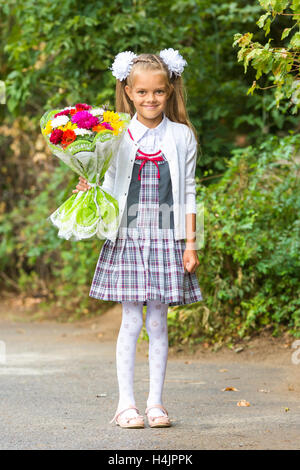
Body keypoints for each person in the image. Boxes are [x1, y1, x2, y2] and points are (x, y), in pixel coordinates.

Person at [73, 49, 203, 428]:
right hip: (127, 236)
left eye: (159, 92)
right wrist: (88, 186)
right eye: (142, 92)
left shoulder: (182, 137)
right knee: (131, 322)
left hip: (167, 238)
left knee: (159, 322)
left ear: (170, 91)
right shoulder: (114, 134)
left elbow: (190, 192)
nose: (150, 99)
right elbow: (108, 185)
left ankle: (156, 403)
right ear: (128, 91)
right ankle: (125, 404)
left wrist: (190, 243)